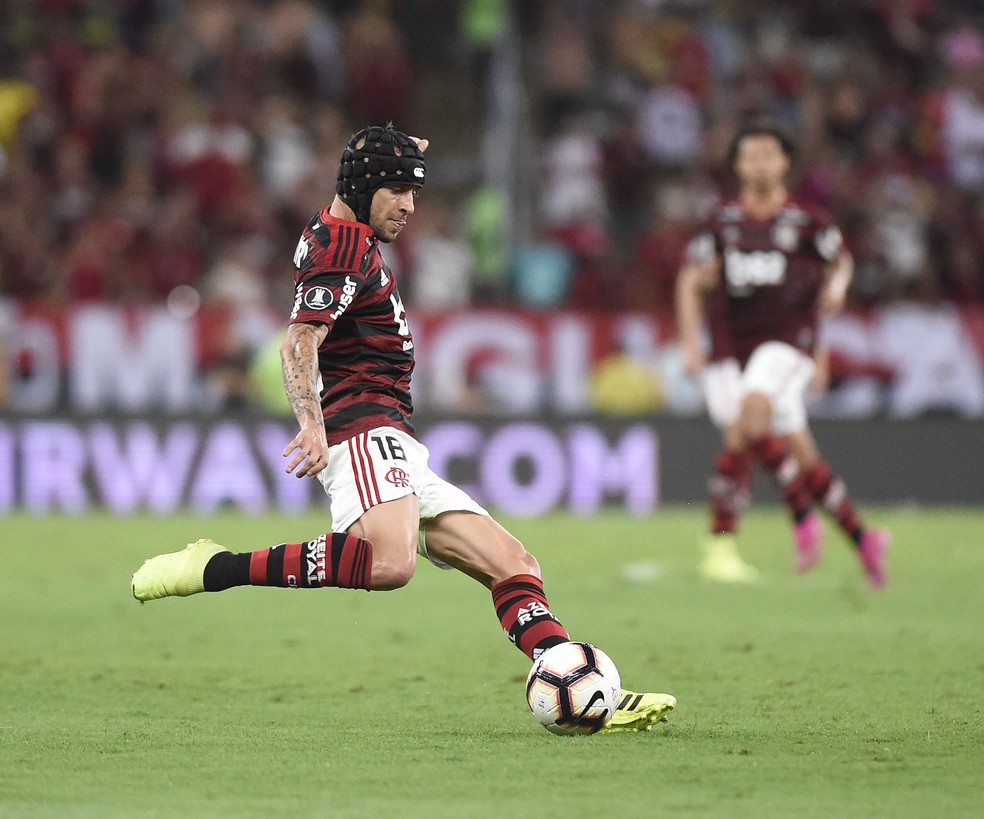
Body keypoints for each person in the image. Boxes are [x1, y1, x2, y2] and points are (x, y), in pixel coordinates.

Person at [132, 124, 675, 731]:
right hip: (359, 425)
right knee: (390, 564)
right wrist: (311, 422)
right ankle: (214, 568)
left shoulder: (346, 231)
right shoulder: (341, 247)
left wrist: (401, 153)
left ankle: (582, 687)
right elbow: (298, 341)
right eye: (399, 192)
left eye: (413, 194)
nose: (410, 207)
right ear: (364, 187)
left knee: (515, 564)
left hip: (393, 432)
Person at [675, 123, 891, 587]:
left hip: (788, 342)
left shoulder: (808, 221)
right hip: (732, 347)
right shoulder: (722, 222)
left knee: (746, 422)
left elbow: (840, 262)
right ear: (737, 166)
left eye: (769, 155)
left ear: (786, 163)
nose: (760, 163)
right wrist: (691, 341)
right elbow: (690, 280)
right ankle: (861, 537)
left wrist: (836, 288)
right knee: (799, 453)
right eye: (751, 156)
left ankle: (725, 542)